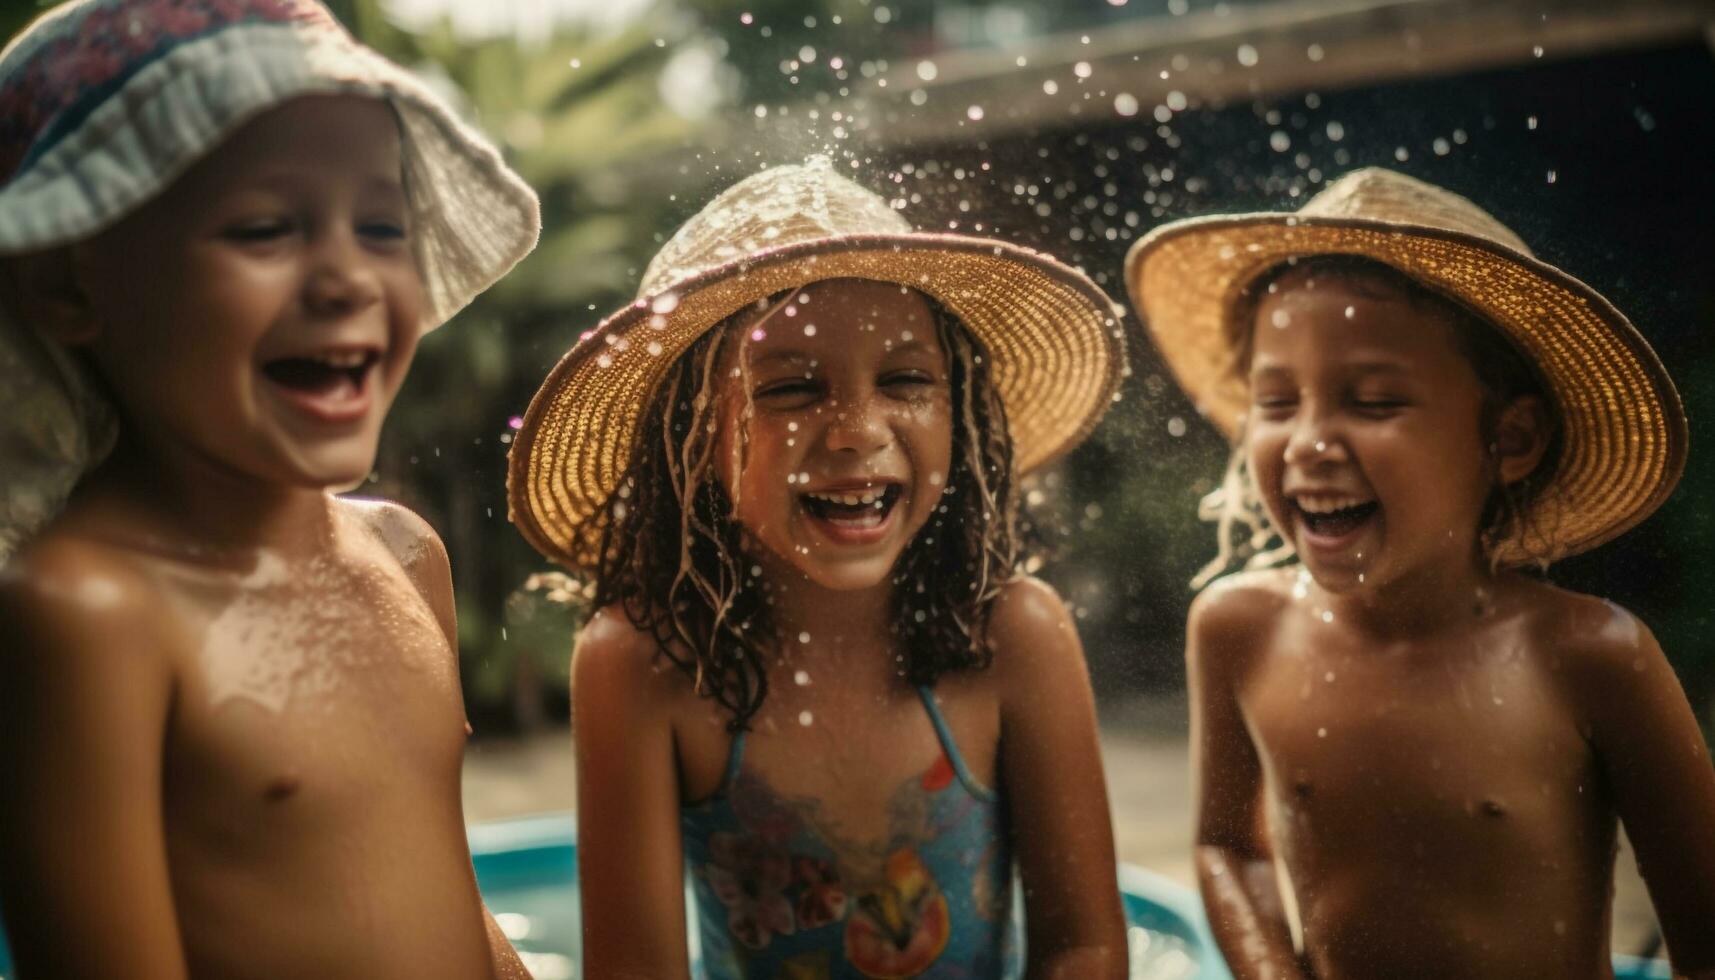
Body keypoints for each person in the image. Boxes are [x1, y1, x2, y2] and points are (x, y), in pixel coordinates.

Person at [0, 1, 540, 976]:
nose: (347, 278)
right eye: (263, 227)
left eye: (382, 224)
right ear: (70, 286)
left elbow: (446, 903)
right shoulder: (88, 610)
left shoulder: (403, 552)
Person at [508, 157, 1130, 978]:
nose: (855, 431)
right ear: (690, 443)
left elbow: (1085, 949)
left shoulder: (1014, 636)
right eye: (792, 389)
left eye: (905, 380)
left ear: (960, 413)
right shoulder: (642, 663)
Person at [1125, 166, 1715, 979]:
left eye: (1371, 403)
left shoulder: (1589, 656)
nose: (1306, 444)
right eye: (1275, 402)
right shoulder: (1238, 628)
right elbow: (1228, 849)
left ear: (1508, 441)